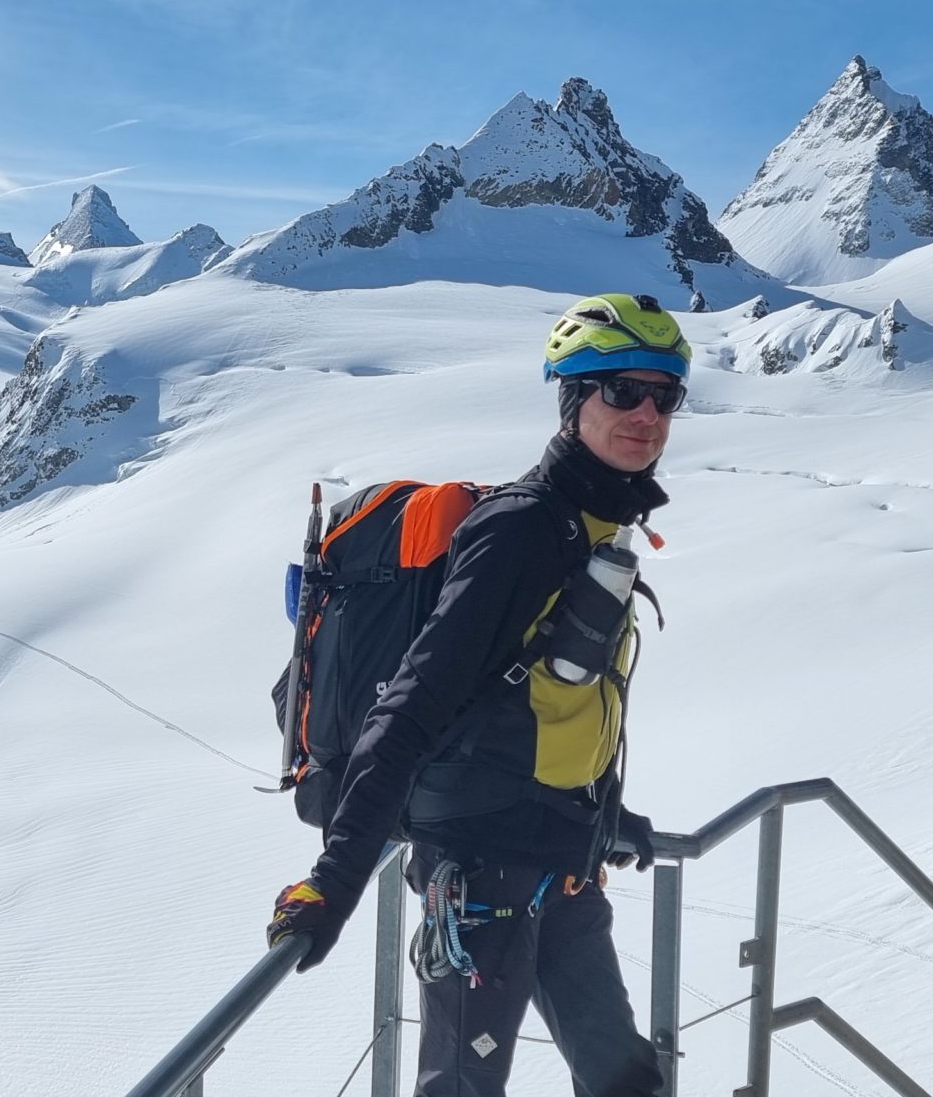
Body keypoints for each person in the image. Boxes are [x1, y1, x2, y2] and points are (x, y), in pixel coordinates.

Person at [268, 293, 689, 1097]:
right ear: (572, 400)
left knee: (626, 1080)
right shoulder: (525, 528)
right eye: (620, 390)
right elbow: (415, 702)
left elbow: (559, 699)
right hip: (481, 875)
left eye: (664, 393)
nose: (647, 412)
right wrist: (335, 879)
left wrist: (604, 815)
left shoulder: (591, 522)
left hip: (559, 853)